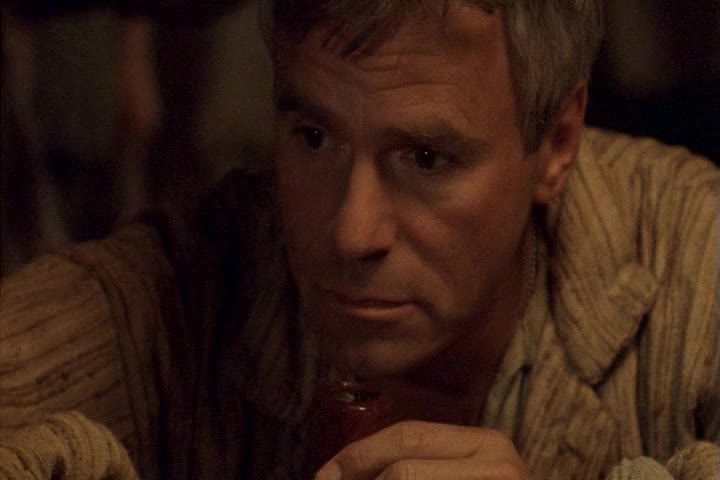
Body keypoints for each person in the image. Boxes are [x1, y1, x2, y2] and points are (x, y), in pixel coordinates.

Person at [1, 0, 718, 479]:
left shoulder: (694, 255)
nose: (351, 233)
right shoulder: (192, 284)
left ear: (557, 143)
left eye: (426, 159)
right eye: (315, 138)